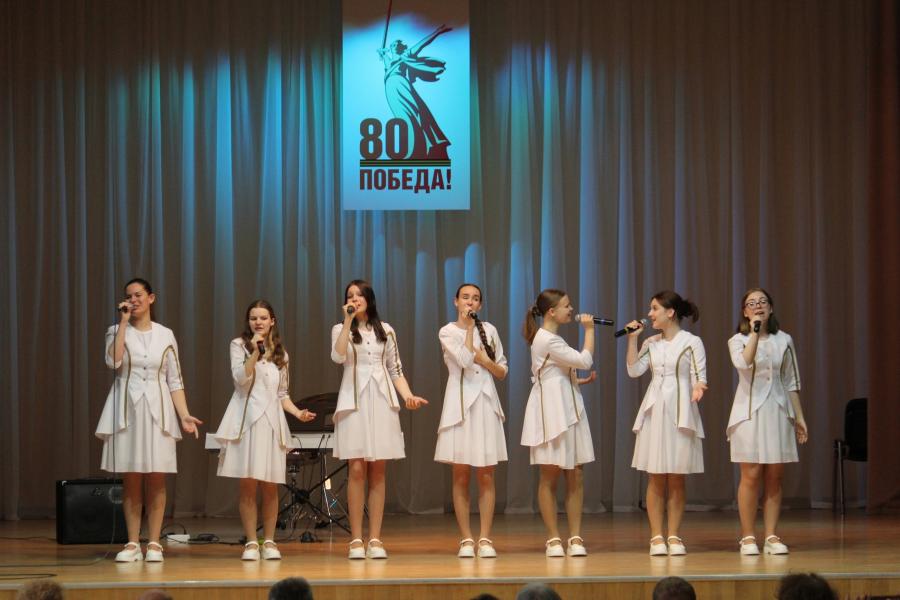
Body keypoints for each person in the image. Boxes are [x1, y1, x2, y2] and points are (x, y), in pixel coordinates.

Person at [95, 278, 202, 563]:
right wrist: (122, 323)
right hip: (127, 409)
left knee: (156, 476)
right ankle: (132, 543)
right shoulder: (115, 331)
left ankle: (154, 543)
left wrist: (184, 414)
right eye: (129, 296)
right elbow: (113, 362)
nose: (133, 300)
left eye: (138, 295)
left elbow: (174, 380)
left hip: (158, 409)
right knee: (131, 477)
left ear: (151, 298)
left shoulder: (166, 334)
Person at [209, 300, 316, 560]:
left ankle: (269, 541)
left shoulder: (281, 354)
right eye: (253, 318)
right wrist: (255, 352)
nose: (258, 322)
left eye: (263, 318)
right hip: (247, 421)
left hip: (271, 423)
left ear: (272, 321)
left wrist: (297, 413)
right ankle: (251, 542)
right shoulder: (239, 345)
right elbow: (240, 379)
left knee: (270, 484)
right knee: (248, 483)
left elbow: (282, 394)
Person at [331, 280, 428, 559]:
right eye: (350, 295)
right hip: (354, 402)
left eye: (359, 295)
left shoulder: (386, 330)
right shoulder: (340, 329)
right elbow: (338, 356)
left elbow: (395, 369)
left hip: (382, 400)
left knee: (378, 470)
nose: (354, 299)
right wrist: (347, 321)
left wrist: (408, 396)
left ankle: (375, 539)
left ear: (369, 299)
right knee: (356, 469)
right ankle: (355, 540)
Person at [626, 290, 707, 556]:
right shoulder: (651, 342)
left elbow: (699, 375)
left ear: (670, 312)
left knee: (676, 476)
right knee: (656, 475)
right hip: (655, 409)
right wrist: (633, 339)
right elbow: (634, 370)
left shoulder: (691, 342)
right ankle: (656, 536)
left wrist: (698, 387)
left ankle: (674, 535)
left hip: (680, 409)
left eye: (654, 309)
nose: (650, 314)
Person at [727, 288, 808, 555]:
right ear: (745, 312)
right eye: (751, 303)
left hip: (778, 410)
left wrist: (799, 417)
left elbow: (791, 380)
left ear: (771, 308)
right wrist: (754, 332)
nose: (758, 306)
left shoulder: (784, 339)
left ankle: (771, 535)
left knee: (775, 475)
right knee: (750, 474)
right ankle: (748, 536)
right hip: (748, 413)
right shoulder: (737, 340)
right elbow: (744, 364)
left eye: (762, 302)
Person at [521, 289, 597, 558]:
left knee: (575, 472)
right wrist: (590, 330)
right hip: (551, 411)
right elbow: (584, 360)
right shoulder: (547, 339)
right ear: (551, 312)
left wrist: (577, 381)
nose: (571, 309)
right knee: (550, 473)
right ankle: (553, 538)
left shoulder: (552, 338)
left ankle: (575, 537)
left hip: (568, 408)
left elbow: (557, 373)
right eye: (566, 305)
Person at [435, 284, 508, 558]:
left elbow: (501, 370)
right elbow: (465, 361)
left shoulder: (490, 330)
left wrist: (485, 361)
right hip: (460, 405)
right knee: (461, 473)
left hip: (486, 402)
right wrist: (468, 329)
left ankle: (485, 538)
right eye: (465, 298)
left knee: (486, 473)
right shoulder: (447, 331)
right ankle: (466, 539)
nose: (470, 302)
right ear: (456, 301)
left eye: (475, 299)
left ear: (480, 304)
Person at [377, 25, 453, 160]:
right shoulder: (389, 61)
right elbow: (384, 58)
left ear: (401, 47)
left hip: (401, 84)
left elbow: (422, 44)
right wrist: (382, 53)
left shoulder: (406, 55)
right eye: (393, 44)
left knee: (415, 112)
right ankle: (412, 148)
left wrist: (436, 32)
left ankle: (422, 147)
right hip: (391, 89)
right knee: (402, 116)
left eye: (398, 43)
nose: (395, 45)